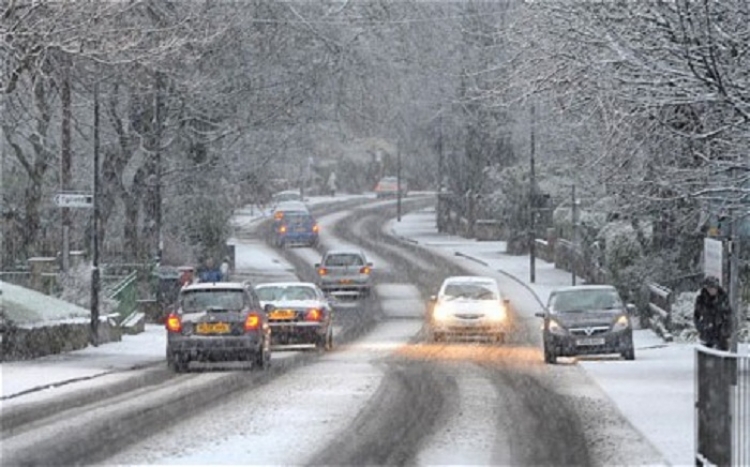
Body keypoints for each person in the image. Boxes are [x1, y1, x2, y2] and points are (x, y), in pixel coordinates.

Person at [693, 276, 733, 351]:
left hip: (721, 335)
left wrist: (726, 331)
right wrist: (701, 328)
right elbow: (696, 316)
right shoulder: (701, 300)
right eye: (709, 288)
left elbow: (729, 315)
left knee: (722, 357)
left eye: (713, 288)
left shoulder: (723, 299)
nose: (711, 290)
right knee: (706, 358)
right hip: (706, 334)